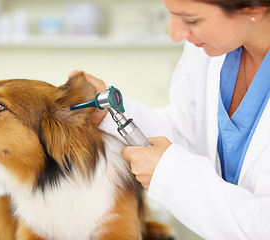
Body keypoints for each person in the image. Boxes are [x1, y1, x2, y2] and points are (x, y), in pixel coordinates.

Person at [69, 0, 270, 238]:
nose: (175, 34)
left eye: (191, 20)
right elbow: (186, 132)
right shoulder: (207, 50)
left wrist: (172, 177)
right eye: (171, 15)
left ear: (254, 9)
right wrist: (108, 116)